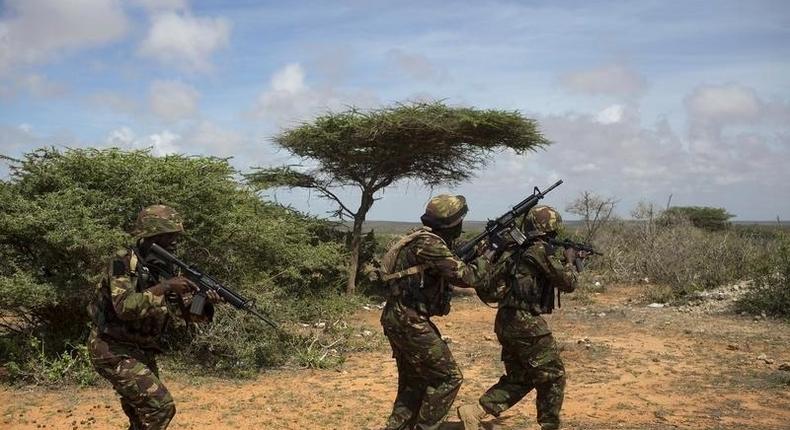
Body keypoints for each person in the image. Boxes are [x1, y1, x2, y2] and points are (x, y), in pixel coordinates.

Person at [87, 205, 221, 430]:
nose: (175, 242)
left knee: (142, 418)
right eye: (170, 236)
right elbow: (125, 307)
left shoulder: (162, 268)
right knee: (160, 408)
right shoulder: (122, 261)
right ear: (151, 235)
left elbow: (181, 314)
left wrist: (204, 302)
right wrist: (166, 286)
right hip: (112, 348)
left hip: (141, 350)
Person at [457, 205, 583, 430]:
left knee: (521, 377)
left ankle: (475, 411)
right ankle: (549, 425)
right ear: (549, 229)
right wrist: (572, 261)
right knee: (553, 375)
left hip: (506, 319)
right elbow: (567, 283)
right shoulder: (539, 250)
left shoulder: (514, 249)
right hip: (525, 322)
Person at [379, 194, 496, 430]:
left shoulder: (420, 237)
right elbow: (466, 277)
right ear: (452, 223)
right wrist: (491, 252)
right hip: (409, 319)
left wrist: (477, 249)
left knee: (414, 382)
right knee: (448, 377)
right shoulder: (430, 244)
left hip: (400, 316)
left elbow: (449, 262)